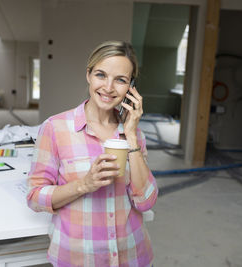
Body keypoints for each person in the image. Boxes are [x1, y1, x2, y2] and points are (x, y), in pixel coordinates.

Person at [27, 40, 158, 267]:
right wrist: (84, 184)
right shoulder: (55, 128)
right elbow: (35, 196)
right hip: (78, 259)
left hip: (132, 256)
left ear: (131, 88)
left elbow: (145, 201)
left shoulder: (134, 135)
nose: (108, 87)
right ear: (88, 75)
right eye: (101, 75)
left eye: (121, 80)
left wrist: (131, 137)